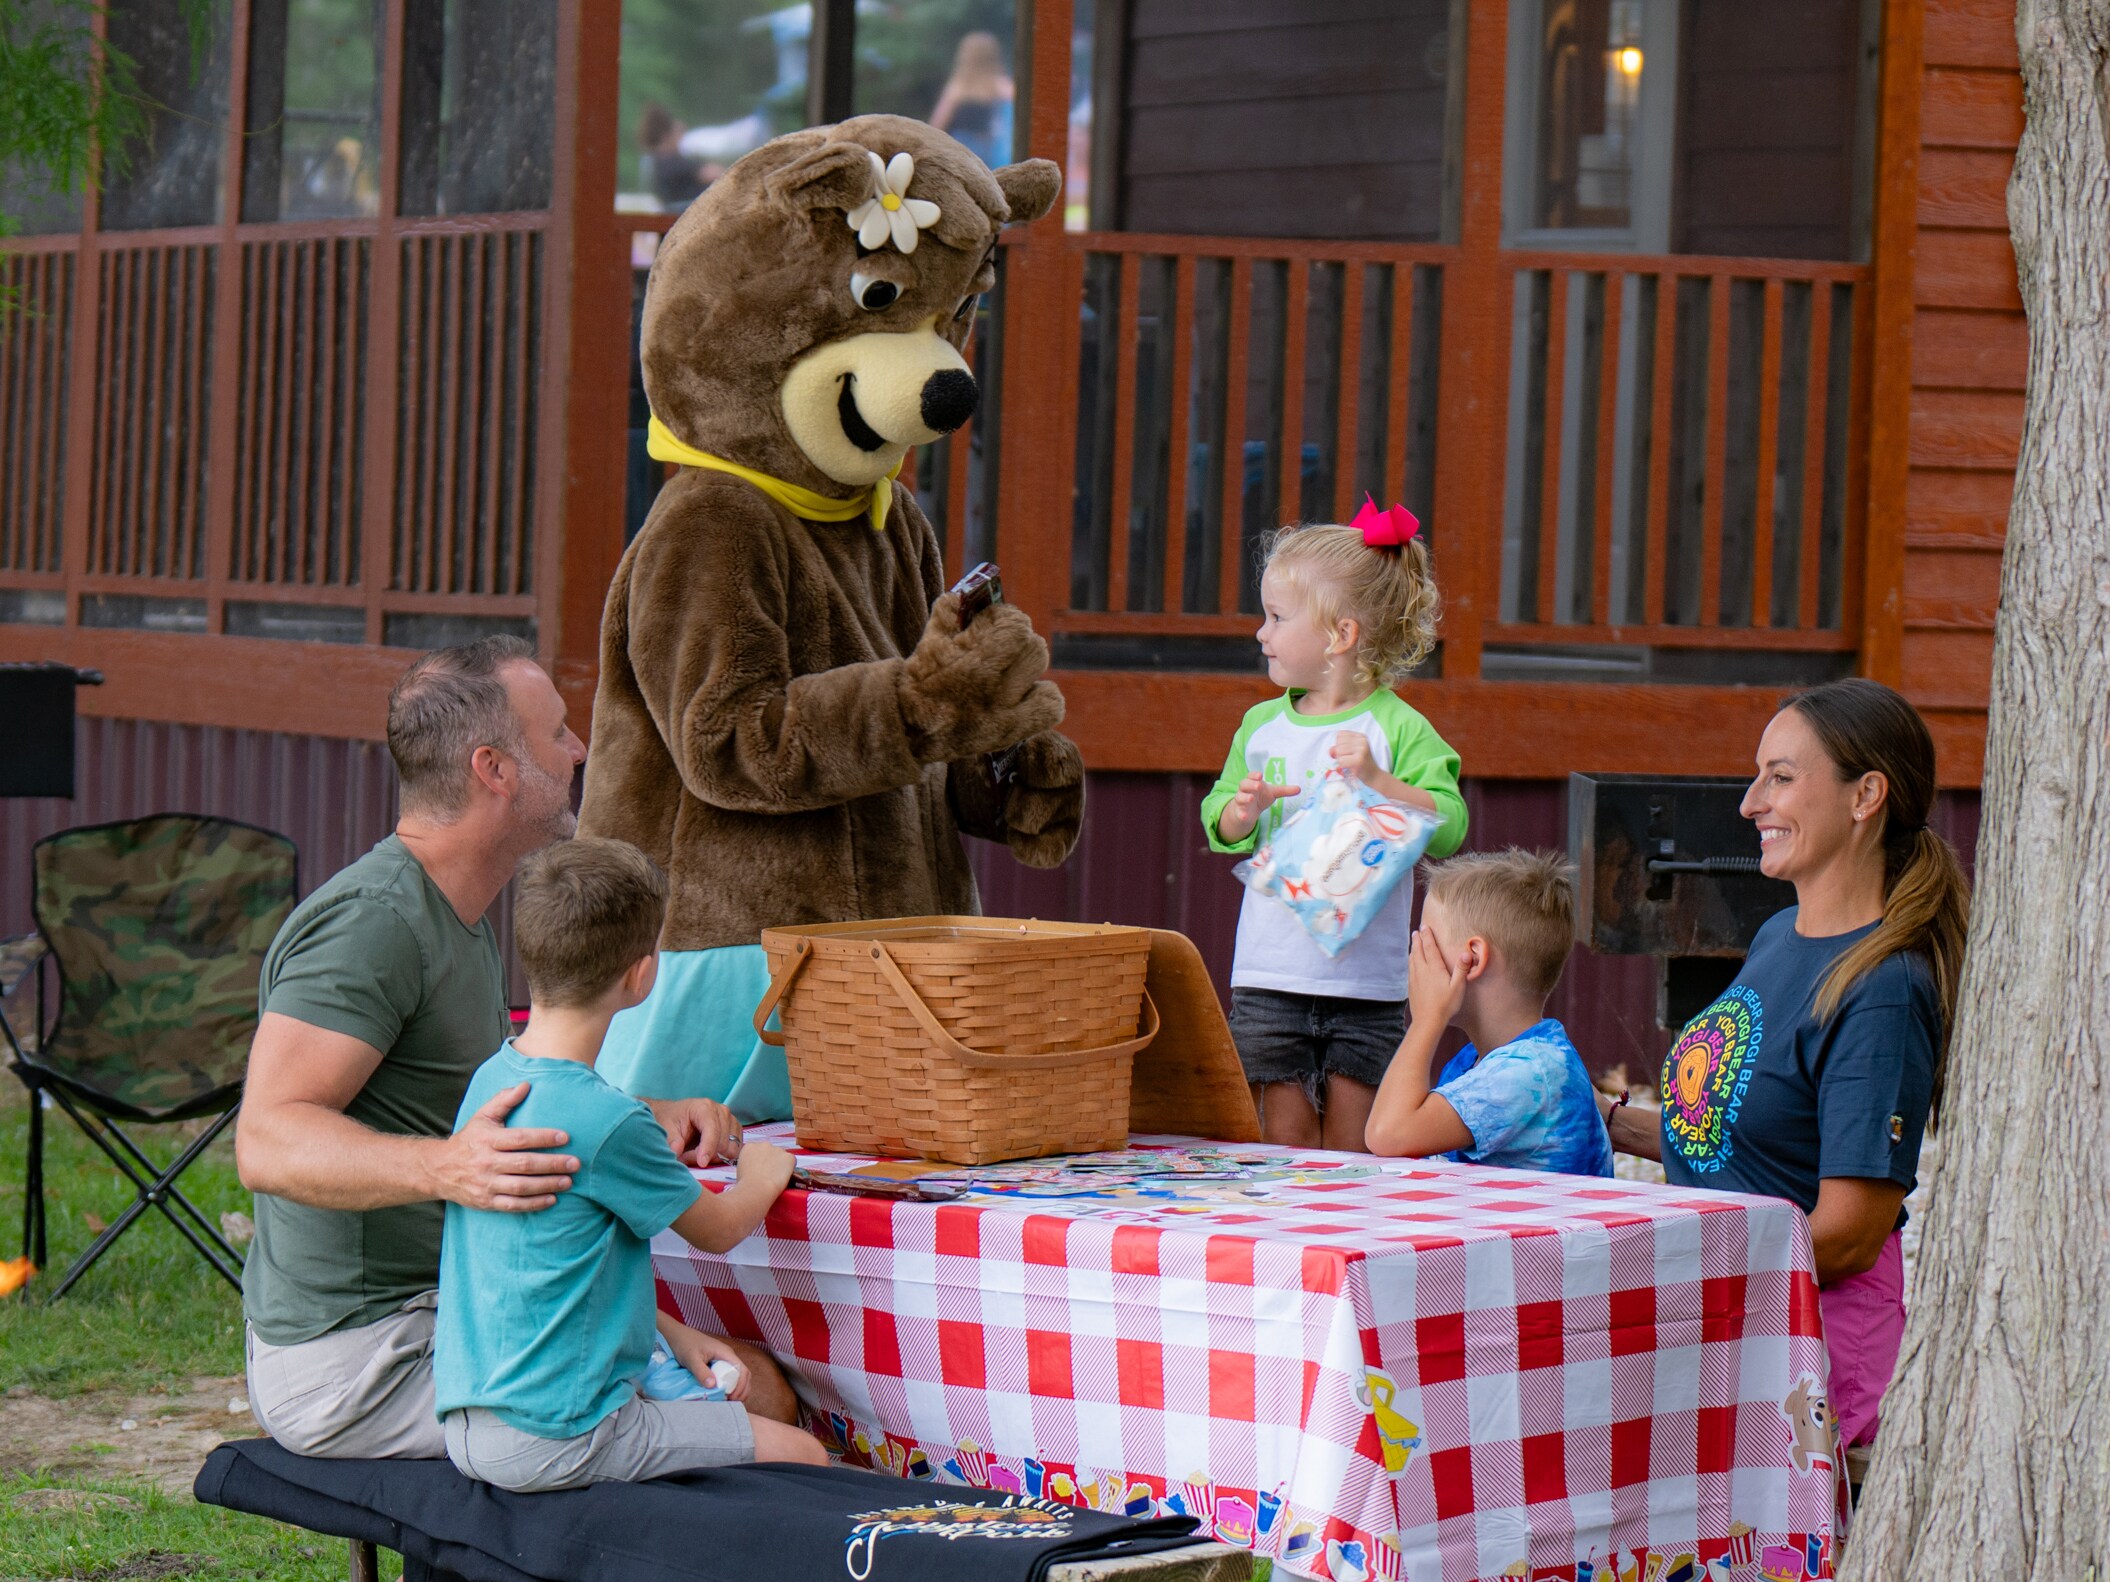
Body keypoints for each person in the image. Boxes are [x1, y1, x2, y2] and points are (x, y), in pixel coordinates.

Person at [235, 637, 794, 1459]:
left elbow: (485, 1111)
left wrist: (647, 1118)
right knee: (761, 1415)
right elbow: (267, 1138)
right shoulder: (372, 925)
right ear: (493, 769)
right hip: (362, 1359)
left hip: (456, 1309)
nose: (578, 751)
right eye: (557, 733)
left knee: (755, 1383)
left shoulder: (459, 911)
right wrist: (443, 1167)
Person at [1601, 678, 1969, 1452]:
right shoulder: (1778, 937)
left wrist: (1676, 1267)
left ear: (1866, 794)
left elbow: (1846, 1235)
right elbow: (1741, 1138)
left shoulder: (1882, 988)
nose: (1749, 803)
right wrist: (1597, 1118)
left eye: (1782, 777)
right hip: (1729, 1322)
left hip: (1806, 1360)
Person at [435, 839, 827, 1489]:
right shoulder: (611, 1121)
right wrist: (763, 1172)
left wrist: (669, 1333)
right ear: (643, 976)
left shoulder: (491, 1081)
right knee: (808, 1458)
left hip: (468, 1422)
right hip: (566, 1433)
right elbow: (721, 1228)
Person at [1202, 511, 1468, 1151]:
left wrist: (1383, 782)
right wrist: (1243, 810)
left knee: (1357, 1149)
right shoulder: (1261, 726)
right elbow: (1220, 821)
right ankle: (1285, 1255)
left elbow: (1450, 825)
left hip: (1368, 988)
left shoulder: (1399, 729)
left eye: (1276, 616)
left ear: (1339, 634)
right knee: (1281, 1144)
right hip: (1270, 978)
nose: (1260, 632)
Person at [1363, 850, 1612, 1176]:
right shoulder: (1476, 1062)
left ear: (1474, 958)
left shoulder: (1531, 1071)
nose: (1416, 957)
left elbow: (1387, 1135)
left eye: (1426, 939)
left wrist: (1426, 1020)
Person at [930, 31, 1015, 168]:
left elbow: (937, 125)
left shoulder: (958, 88)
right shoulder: (1003, 86)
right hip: (993, 154)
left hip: (960, 154)